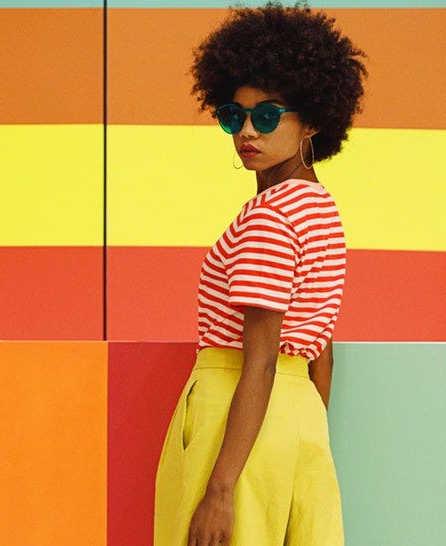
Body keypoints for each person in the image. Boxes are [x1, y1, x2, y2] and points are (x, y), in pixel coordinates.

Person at [154, 3, 366, 545]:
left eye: (267, 116)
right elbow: (322, 348)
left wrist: (221, 487)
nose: (247, 131)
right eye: (234, 116)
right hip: (297, 423)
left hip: (237, 417)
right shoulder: (321, 207)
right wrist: (304, 430)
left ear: (313, 119)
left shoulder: (270, 215)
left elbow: (262, 358)